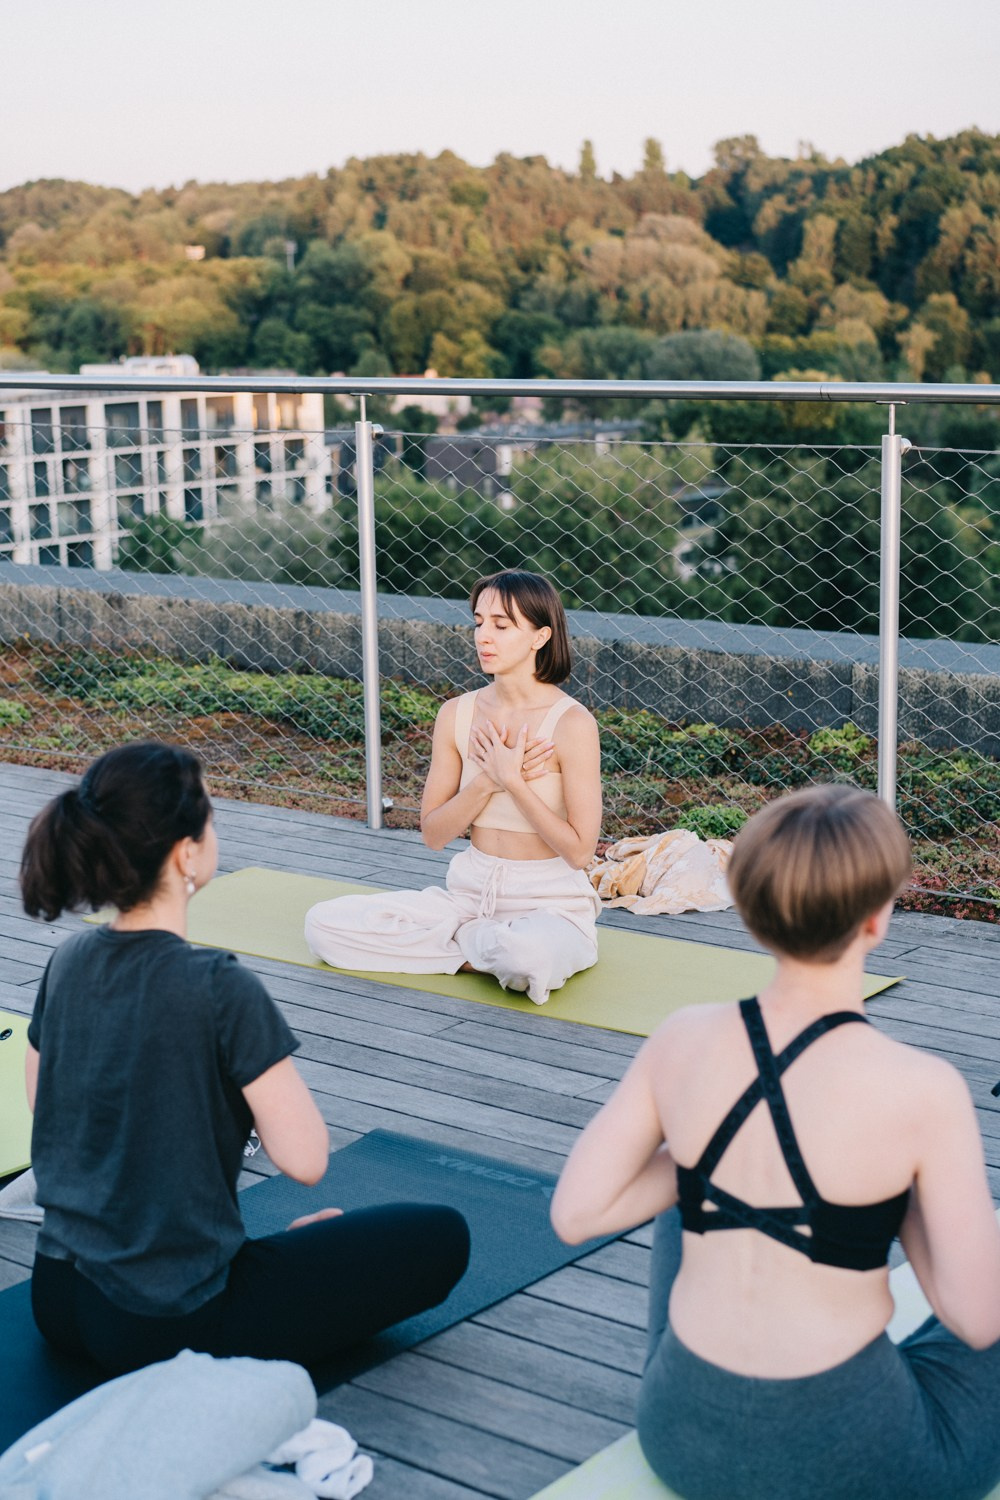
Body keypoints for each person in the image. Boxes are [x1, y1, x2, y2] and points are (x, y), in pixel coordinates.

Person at [550, 784, 1000, 1500]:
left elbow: (575, 1215)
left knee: (682, 1190)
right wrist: (899, 1200)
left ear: (751, 914)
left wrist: (705, 1160)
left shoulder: (682, 1038)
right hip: (853, 1460)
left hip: (679, 1433)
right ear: (877, 919)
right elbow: (976, 1321)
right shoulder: (922, 1089)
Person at [20, 741, 469, 1378]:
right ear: (184, 852)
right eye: (208, 813)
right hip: (165, 1325)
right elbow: (306, 1159)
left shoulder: (69, 960)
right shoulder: (218, 984)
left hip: (59, 1298)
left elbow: (46, 1110)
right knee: (440, 1236)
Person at [304, 570, 603, 1005]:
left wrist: (514, 782)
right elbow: (434, 834)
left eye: (502, 625)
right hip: (468, 895)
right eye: (479, 622)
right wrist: (487, 782)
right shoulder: (457, 714)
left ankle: (468, 946)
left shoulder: (573, 724)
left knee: (528, 957)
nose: (484, 635)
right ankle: (477, 946)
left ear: (540, 637)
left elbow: (579, 853)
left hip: (550, 904)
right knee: (322, 925)